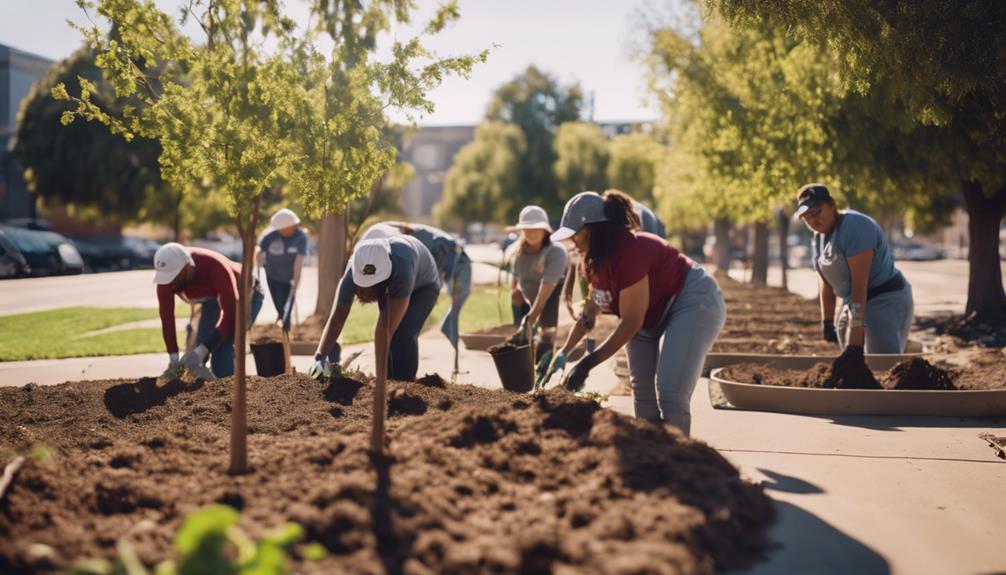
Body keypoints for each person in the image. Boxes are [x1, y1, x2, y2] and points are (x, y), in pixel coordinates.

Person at [545, 191, 726, 436]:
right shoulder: (593, 262)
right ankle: (651, 452)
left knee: (670, 390)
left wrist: (588, 363)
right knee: (642, 391)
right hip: (650, 311)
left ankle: (679, 457)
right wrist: (564, 352)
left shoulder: (632, 251)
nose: (573, 242)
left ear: (596, 229)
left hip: (693, 301)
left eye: (576, 233)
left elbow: (631, 321)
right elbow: (590, 313)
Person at [797, 184, 914, 364]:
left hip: (885, 298)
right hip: (853, 300)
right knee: (850, 361)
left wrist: (857, 336)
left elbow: (860, 286)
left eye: (816, 212)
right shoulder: (818, 237)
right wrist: (827, 320)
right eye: (806, 217)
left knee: (881, 365)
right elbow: (825, 280)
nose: (812, 221)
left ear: (833, 205)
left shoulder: (855, 227)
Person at [309, 236, 440, 381]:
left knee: (403, 332)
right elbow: (336, 318)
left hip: (424, 287)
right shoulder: (352, 271)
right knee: (391, 339)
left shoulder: (402, 265)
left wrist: (380, 381)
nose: (365, 290)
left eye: (371, 285)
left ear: (383, 278)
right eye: (362, 286)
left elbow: (385, 329)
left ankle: (405, 386)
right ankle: (390, 382)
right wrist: (319, 357)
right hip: (394, 279)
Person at [155, 243, 263, 379]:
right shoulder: (166, 278)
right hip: (212, 299)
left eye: (175, 277)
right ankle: (202, 387)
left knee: (222, 347)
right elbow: (167, 318)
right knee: (198, 346)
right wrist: (173, 357)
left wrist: (203, 349)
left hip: (246, 293)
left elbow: (231, 315)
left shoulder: (215, 267)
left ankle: (226, 391)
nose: (172, 282)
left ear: (187, 267)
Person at [360, 221, 473, 347]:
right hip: (444, 260)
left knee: (409, 327)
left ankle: (450, 340)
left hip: (458, 262)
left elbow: (434, 271)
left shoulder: (417, 241)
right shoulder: (404, 238)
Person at [504, 206, 568, 355]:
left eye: (536, 229)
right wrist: (522, 323)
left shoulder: (556, 252)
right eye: (527, 229)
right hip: (529, 299)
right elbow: (515, 281)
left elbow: (546, 288)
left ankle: (545, 346)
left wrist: (531, 319)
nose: (531, 233)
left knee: (545, 344)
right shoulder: (516, 252)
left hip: (550, 301)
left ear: (545, 230)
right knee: (524, 345)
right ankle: (525, 343)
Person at [256, 208, 308, 331]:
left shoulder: (301, 237)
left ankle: (285, 331)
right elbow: (258, 254)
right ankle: (282, 324)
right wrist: (257, 272)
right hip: (272, 276)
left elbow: (299, 260)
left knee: (288, 307)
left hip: (290, 278)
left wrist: (296, 280)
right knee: (279, 304)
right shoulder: (269, 237)